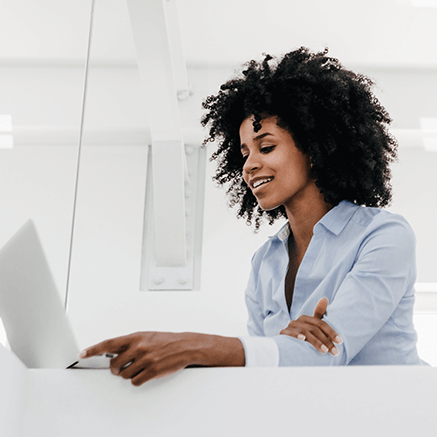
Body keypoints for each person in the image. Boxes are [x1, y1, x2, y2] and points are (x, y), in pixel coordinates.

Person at [80, 47, 425, 385]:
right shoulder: (266, 262)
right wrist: (281, 347)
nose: (249, 165)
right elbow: (265, 376)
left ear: (316, 148)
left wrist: (193, 346)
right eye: (244, 153)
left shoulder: (383, 236)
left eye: (267, 147)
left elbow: (323, 355)